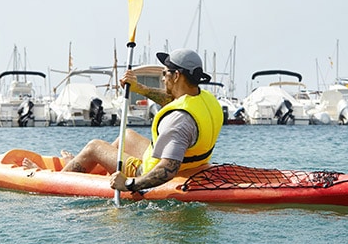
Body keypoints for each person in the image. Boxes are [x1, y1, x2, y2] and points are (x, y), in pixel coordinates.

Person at [58, 48, 224, 193]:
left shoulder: (179, 120)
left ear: (176, 76)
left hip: (147, 173)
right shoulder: (206, 99)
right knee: (127, 136)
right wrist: (138, 88)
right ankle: (88, 168)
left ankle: (66, 174)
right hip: (191, 165)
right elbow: (173, 100)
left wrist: (129, 184)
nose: (163, 78)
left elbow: (167, 170)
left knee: (94, 147)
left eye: (164, 73)